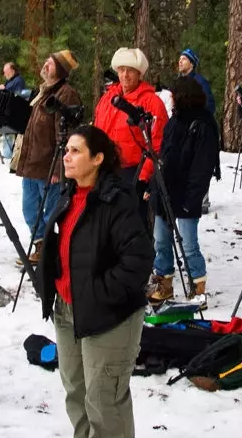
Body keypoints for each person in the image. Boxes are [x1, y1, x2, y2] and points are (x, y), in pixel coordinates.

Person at [35, 125, 153, 438]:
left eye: (75, 151)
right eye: (66, 149)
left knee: (105, 395)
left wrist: (98, 295)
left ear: (98, 158)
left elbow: (138, 262)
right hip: (69, 311)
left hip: (109, 315)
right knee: (77, 391)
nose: (66, 156)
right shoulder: (69, 195)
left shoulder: (118, 200)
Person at [147, 76, 219, 304]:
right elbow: (164, 156)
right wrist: (154, 185)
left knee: (188, 243)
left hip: (187, 191)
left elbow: (203, 165)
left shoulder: (204, 123)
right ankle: (164, 282)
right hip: (165, 188)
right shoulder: (174, 120)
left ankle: (198, 285)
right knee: (161, 240)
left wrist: (193, 196)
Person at [14, 50, 82, 265]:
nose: (45, 66)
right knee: (29, 208)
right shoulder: (43, 92)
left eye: (50, 64)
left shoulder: (66, 94)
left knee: (51, 212)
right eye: (46, 62)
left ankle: (51, 249)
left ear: (61, 70)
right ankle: (41, 243)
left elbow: (68, 135)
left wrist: (59, 169)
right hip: (32, 164)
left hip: (50, 166)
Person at [93, 48, 168, 228]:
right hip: (105, 168)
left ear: (139, 73)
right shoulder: (107, 98)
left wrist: (145, 175)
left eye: (130, 70)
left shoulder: (152, 102)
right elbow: (96, 131)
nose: (125, 75)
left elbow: (157, 142)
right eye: (121, 70)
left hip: (134, 171)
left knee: (132, 222)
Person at [177, 48, 217, 214]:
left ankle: (202, 199)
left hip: (198, 131)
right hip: (183, 131)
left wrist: (197, 120)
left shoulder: (200, 82)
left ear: (192, 63)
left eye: (184, 59)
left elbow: (210, 106)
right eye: (179, 59)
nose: (180, 61)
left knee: (199, 165)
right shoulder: (179, 82)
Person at [0, 62, 29, 158]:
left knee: (11, 135)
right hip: (7, 112)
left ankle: (11, 155)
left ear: (12, 70)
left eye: (5, 72)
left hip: (15, 114)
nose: (4, 74)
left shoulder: (18, 80)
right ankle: (9, 154)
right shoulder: (10, 81)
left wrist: (5, 90)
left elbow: (18, 96)